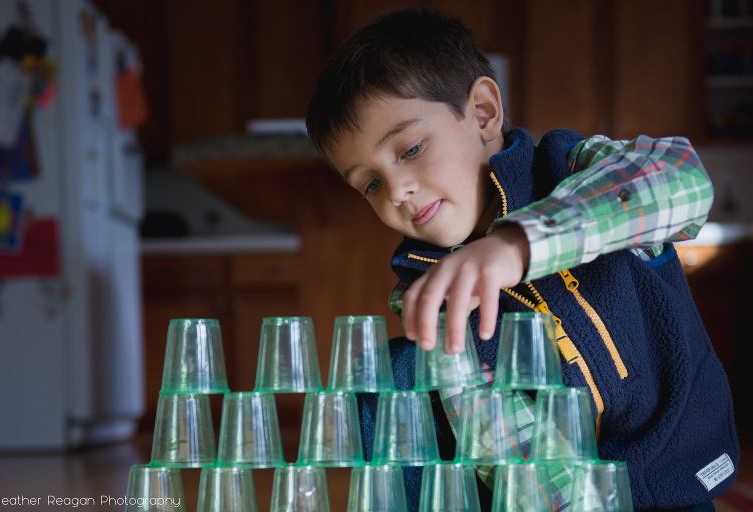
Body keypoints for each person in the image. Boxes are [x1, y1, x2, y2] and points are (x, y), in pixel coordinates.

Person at [305, 6, 739, 512]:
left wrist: (519, 244)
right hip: (575, 500)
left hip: (680, 480)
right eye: (370, 184)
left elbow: (681, 180)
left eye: (411, 149)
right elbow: (505, 444)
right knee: (396, 371)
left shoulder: (571, 165)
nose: (397, 191)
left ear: (484, 113)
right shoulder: (430, 296)